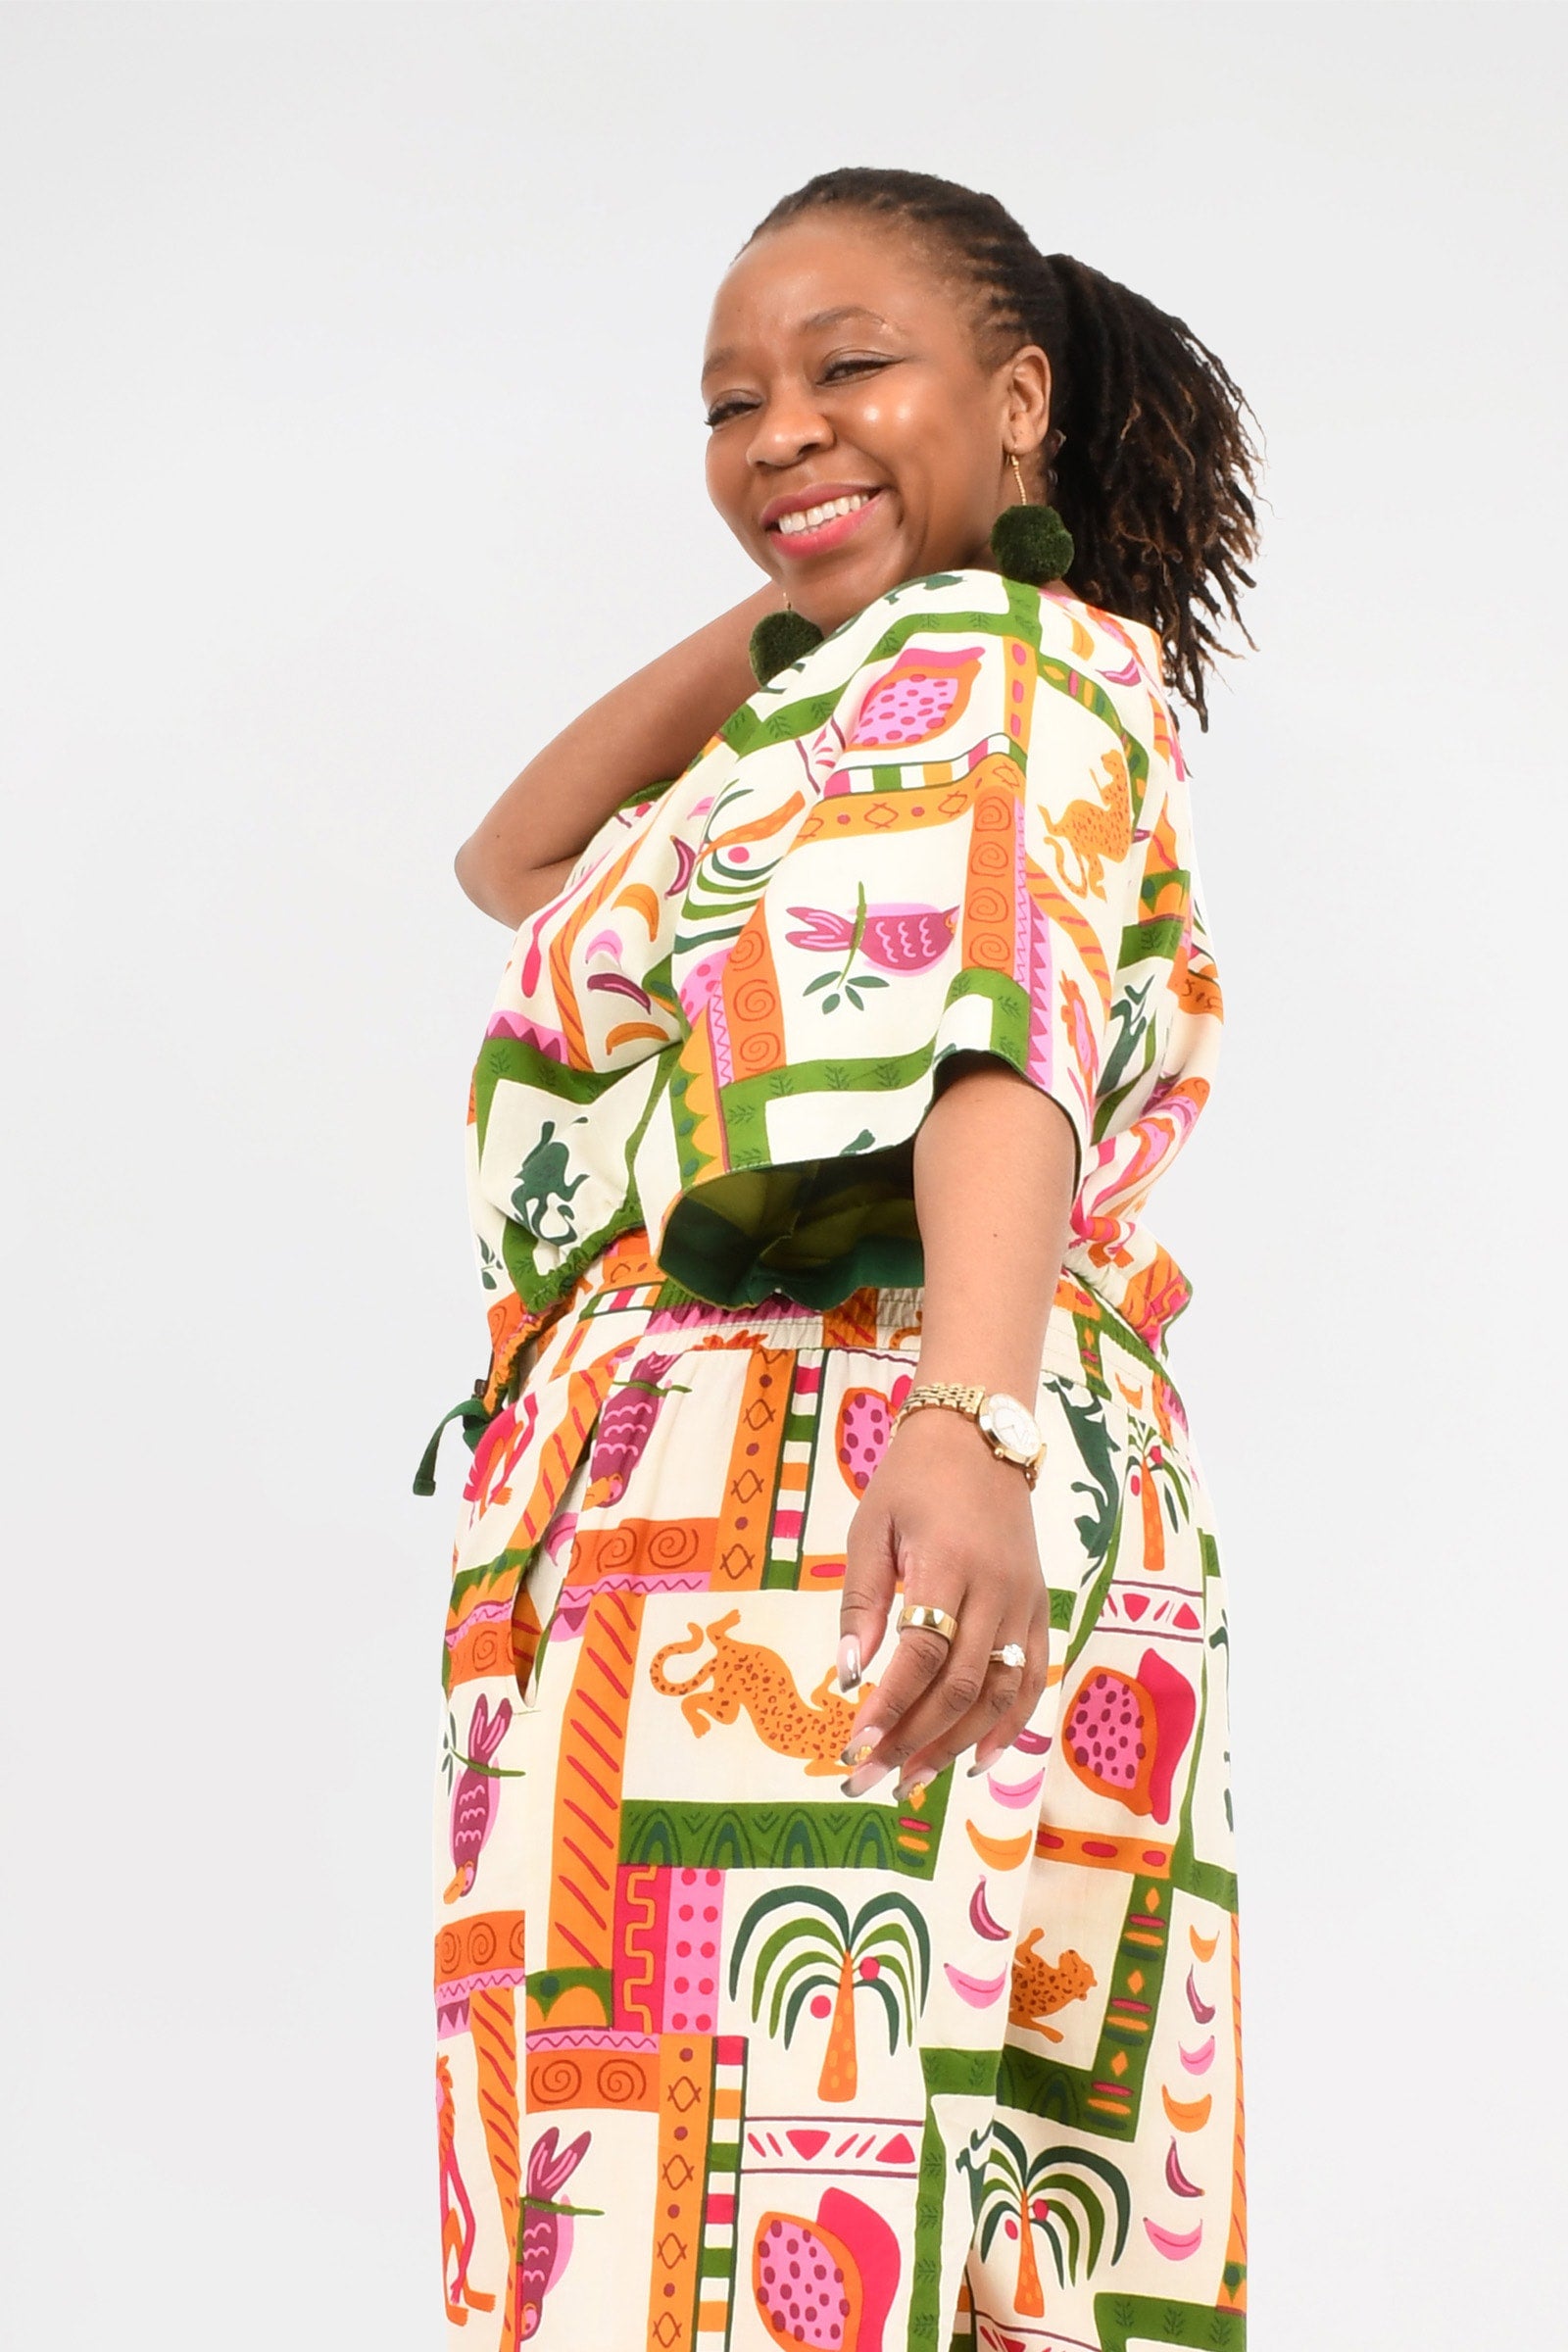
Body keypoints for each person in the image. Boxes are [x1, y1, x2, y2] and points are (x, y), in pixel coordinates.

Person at [423, 166, 1258, 2352]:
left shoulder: (982, 668)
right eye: (732, 406)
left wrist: (964, 1422)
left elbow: (996, 1032)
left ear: (1020, 400)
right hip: (937, 1458)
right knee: (1008, 2229)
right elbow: (509, 855)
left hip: (828, 1476)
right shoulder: (920, 680)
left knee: (705, 2229)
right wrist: (823, 578)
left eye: (848, 368)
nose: (775, 429)